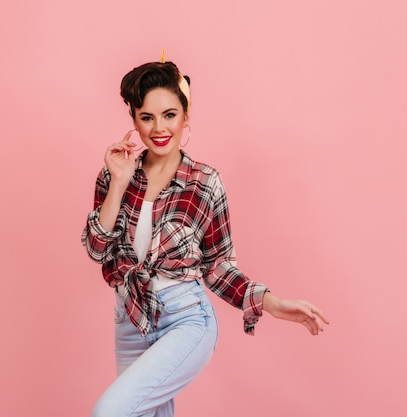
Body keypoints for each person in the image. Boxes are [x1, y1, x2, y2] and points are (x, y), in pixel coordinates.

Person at [81, 55, 329, 417]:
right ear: (133, 119)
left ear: (185, 116)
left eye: (169, 114)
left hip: (186, 319)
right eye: (146, 117)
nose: (159, 127)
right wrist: (118, 182)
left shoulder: (204, 182)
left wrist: (270, 303)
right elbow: (98, 250)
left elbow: (217, 267)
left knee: (111, 411)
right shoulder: (115, 175)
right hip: (130, 318)